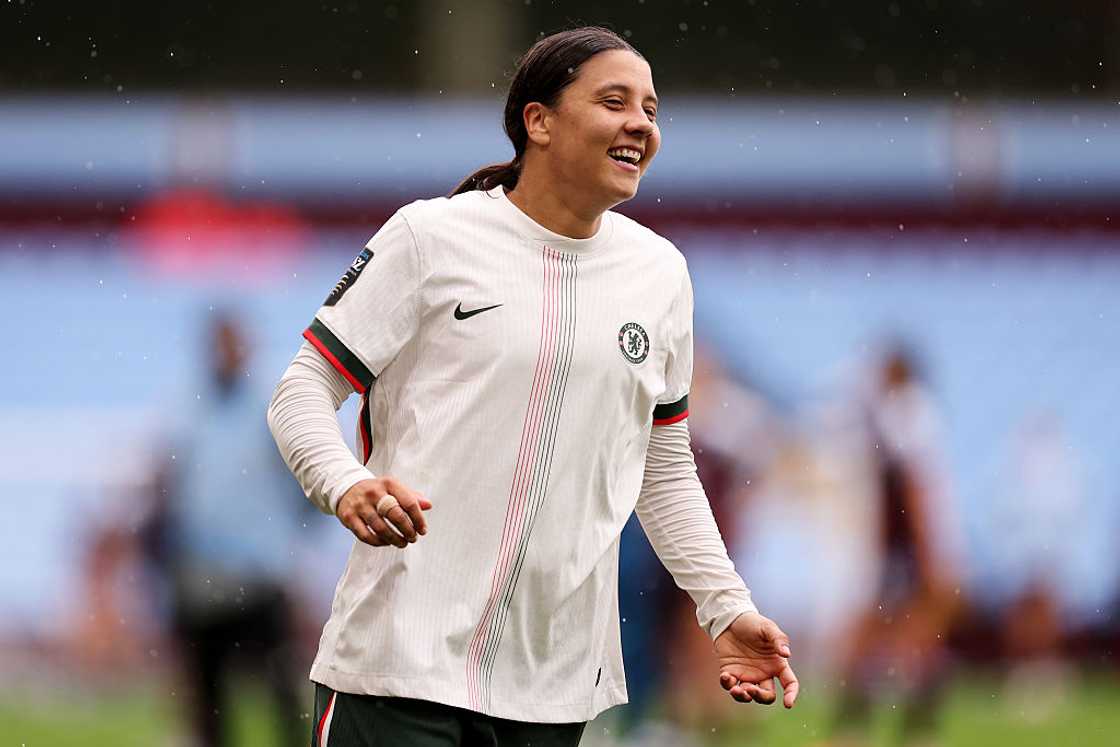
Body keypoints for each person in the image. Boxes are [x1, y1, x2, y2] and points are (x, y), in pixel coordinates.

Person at [267, 26, 798, 746]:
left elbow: (664, 467)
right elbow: (301, 388)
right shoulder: (430, 238)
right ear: (538, 121)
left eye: (651, 108)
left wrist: (725, 608)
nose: (640, 123)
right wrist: (343, 481)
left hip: (552, 688)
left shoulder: (660, 273)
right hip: (398, 668)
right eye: (614, 101)